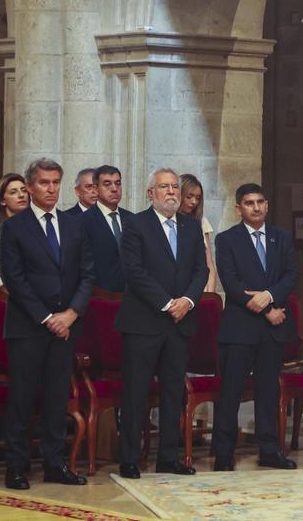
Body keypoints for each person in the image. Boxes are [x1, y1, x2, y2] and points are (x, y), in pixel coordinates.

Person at [0, 158, 93, 490]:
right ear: (30, 187)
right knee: (23, 399)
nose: (51, 189)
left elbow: (87, 274)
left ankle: (55, 464)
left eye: (55, 183)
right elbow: (16, 279)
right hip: (28, 327)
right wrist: (47, 317)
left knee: (56, 399)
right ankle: (16, 466)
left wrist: (70, 314)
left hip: (66, 326)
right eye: (44, 183)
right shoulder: (14, 227)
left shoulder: (74, 225)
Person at [115, 168, 208, 479]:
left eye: (174, 187)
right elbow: (135, 272)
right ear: (150, 193)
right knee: (136, 392)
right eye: (164, 187)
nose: (171, 192)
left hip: (179, 323)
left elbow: (201, 271)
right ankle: (129, 457)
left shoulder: (191, 228)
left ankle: (169, 457)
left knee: (172, 393)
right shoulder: (135, 224)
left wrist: (188, 301)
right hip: (144, 321)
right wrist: (168, 303)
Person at [211, 183, 297, 471]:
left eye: (261, 201)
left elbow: (290, 276)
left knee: (268, 391)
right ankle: (224, 453)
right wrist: (267, 308)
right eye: (249, 203)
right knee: (231, 391)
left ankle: (270, 451)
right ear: (239, 208)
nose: (256, 207)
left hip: (272, 330)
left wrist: (269, 297)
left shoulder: (281, 238)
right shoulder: (226, 239)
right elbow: (232, 283)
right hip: (240, 327)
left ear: (267, 205)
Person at [81, 165, 134, 293]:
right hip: (99, 297)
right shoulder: (83, 221)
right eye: (107, 184)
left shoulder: (132, 219)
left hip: (132, 296)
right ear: (96, 189)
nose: (114, 189)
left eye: (118, 183)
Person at [179, 174, 216, 293]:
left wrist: (210, 294)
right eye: (189, 197)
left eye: (198, 197)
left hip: (200, 289)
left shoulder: (201, 221)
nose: (194, 202)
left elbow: (209, 264)